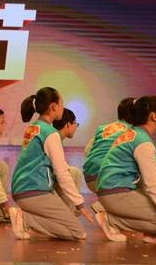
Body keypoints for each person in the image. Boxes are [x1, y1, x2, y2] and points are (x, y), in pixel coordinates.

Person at [93, 96, 156, 244]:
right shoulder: (143, 142)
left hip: (111, 190)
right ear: (154, 116)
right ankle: (111, 220)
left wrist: (155, 164)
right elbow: (151, 183)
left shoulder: (134, 133)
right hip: (116, 193)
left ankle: (152, 235)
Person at [9, 87, 94, 240]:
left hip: (21, 189)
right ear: (54, 106)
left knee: (65, 226)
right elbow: (62, 173)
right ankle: (25, 219)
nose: (63, 107)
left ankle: (26, 218)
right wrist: (80, 204)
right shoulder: (50, 133)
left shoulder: (34, 127)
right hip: (34, 191)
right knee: (78, 232)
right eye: (62, 103)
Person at [82, 98, 134, 192]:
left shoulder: (102, 128)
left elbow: (87, 151)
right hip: (110, 179)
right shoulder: (134, 131)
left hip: (89, 178)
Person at [53, 108, 84, 193]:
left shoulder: (54, 136)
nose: (76, 127)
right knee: (75, 173)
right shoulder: (54, 138)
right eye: (75, 124)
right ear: (68, 124)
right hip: (42, 181)